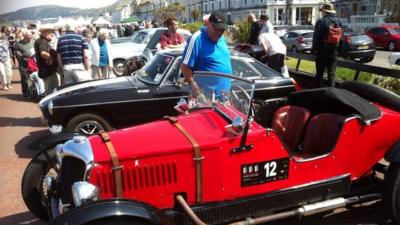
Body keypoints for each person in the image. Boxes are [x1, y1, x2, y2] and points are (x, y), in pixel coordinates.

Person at [181, 12, 232, 97]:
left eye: (222, 30)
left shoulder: (222, 38)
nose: (219, 33)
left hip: (224, 99)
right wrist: (199, 95)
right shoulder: (197, 39)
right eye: (216, 29)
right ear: (208, 24)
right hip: (204, 100)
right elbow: (185, 67)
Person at [311, 3, 343, 87]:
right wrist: (337, 51)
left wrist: (314, 49)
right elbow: (341, 38)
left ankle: (316, 93)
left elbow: (316, 37)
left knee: (319, 74)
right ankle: (332, 94)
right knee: (331, 74)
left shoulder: (321, 21)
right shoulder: (339, 21)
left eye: (322, 11)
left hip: (322, 51)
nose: (321, 13)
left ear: (325, 11)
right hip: (333, 52)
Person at [34, 25, 59, 95]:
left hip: (47, 71)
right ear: (45, 32)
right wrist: (50, 60)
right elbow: (43, 53)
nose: (53, 34)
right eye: (51, 32)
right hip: (48, 71)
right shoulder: (42, 41)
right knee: (51, 92)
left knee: (51, 90)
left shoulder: (42, 41)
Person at [16, 29, 35, 97]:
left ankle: (34, 91)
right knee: (24, 78)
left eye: (31, 35)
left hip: (33, 63)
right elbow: (18, 54)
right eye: (28, 35)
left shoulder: (33, 42)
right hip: (23, 63)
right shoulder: (18, 43)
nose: (30, 36)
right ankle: (25, 92)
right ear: (24, 36)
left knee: (34, 76)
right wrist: (25, 58)